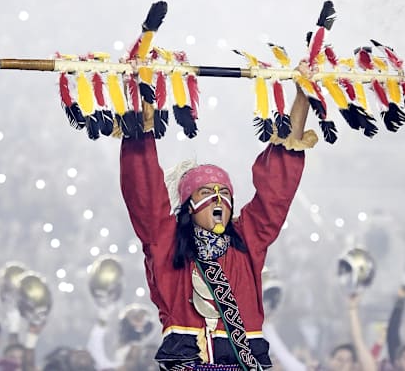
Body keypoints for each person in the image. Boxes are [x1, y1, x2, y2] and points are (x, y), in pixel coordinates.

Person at [119, 61, 318, 371]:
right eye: (205, 193)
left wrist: (303, 97)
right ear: (187, 205)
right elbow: (143, 191)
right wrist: (142, 120)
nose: (218, 200)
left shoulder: (246, 241)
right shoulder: (166, 242)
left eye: (224, 194)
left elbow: (276, 191)